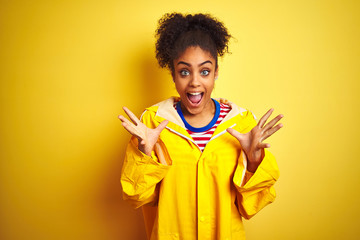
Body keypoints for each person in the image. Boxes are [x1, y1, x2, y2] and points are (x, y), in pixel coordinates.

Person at [118, 12, 283, 240]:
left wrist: (254, 161)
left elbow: (250, 208)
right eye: (184, 71)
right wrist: (145, 154)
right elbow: (137, 197)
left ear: (216, 73)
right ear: (173, 75)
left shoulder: (242, 124)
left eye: (205, 71)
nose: (195, 81)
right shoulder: (152, 123)